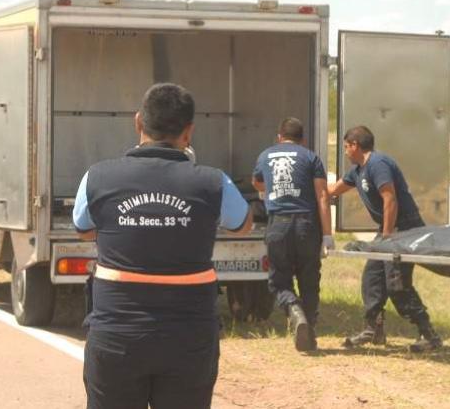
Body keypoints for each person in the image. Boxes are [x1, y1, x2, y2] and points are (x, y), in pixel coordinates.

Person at [73, 83, 253, 409]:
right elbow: (243, 224)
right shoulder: (213, 181)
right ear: (189, 132)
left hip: (116, 334)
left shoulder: (97, 177)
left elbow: (83, 229)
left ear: (138, 122)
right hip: (189, 339)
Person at [328, 125, 442, 353]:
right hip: (388, 228)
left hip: (404, 228)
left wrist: (388, 237)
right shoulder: (357, 170)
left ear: (354, 145)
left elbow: (390, 199)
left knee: (397, 285)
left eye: (346, 147)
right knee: (372, 278)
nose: (345, 152)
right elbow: (333, 190)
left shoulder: (378, 164)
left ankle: (429, 335)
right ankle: (373, 330)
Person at [252, 117, 333, 352]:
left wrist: (271, 188)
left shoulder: (266, 155)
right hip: (307, 225)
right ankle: (310, 331)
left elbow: (256, 183)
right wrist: (327, 235)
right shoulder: (311, 157)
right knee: (309, 279)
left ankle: (294, 311)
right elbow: (323, 197)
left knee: (279, 281)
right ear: (302, 139)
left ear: (279, 137)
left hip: (278, 225)